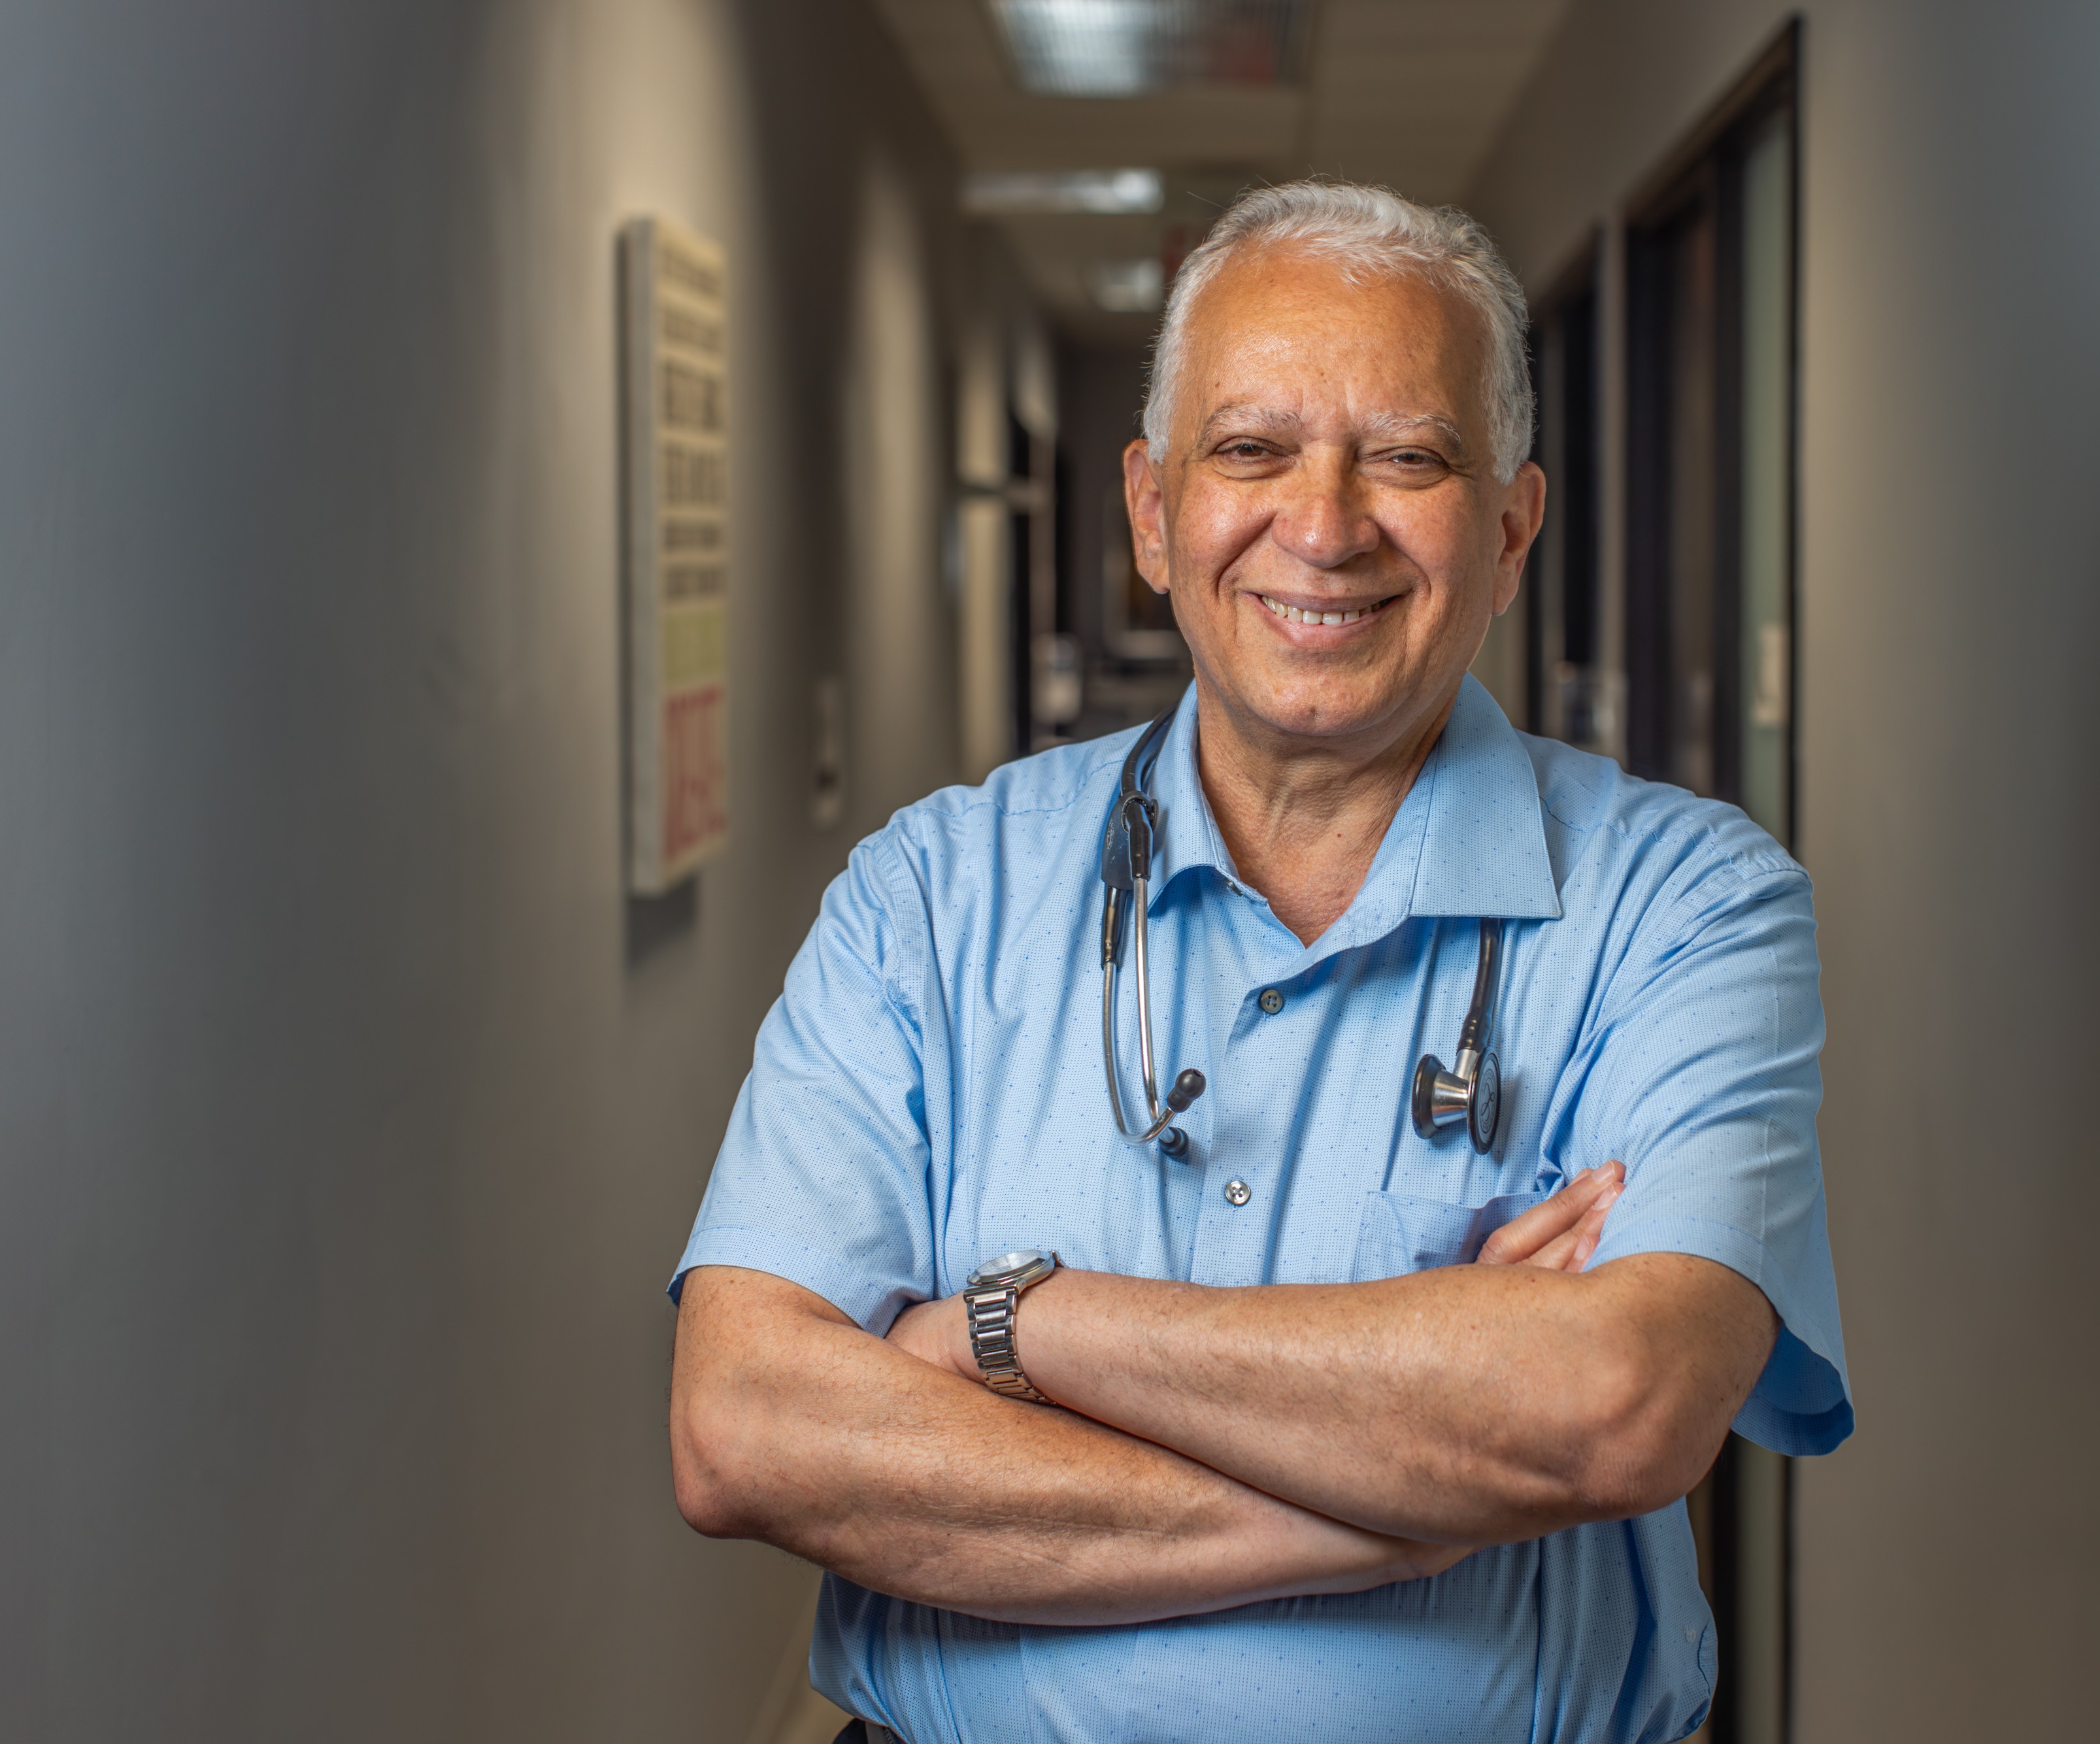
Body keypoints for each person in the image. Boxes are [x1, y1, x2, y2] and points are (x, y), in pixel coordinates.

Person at [665, 180, 1851, 1744]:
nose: (1324, 522)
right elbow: (745, 1428)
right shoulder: (932, 894)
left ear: (1506, 530)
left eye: (1409, 457)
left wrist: (1017, 1326)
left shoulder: (1686, 903)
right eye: (1250, 449)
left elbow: (1610, 1402)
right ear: (1152, 514)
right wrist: (1401, 1504)